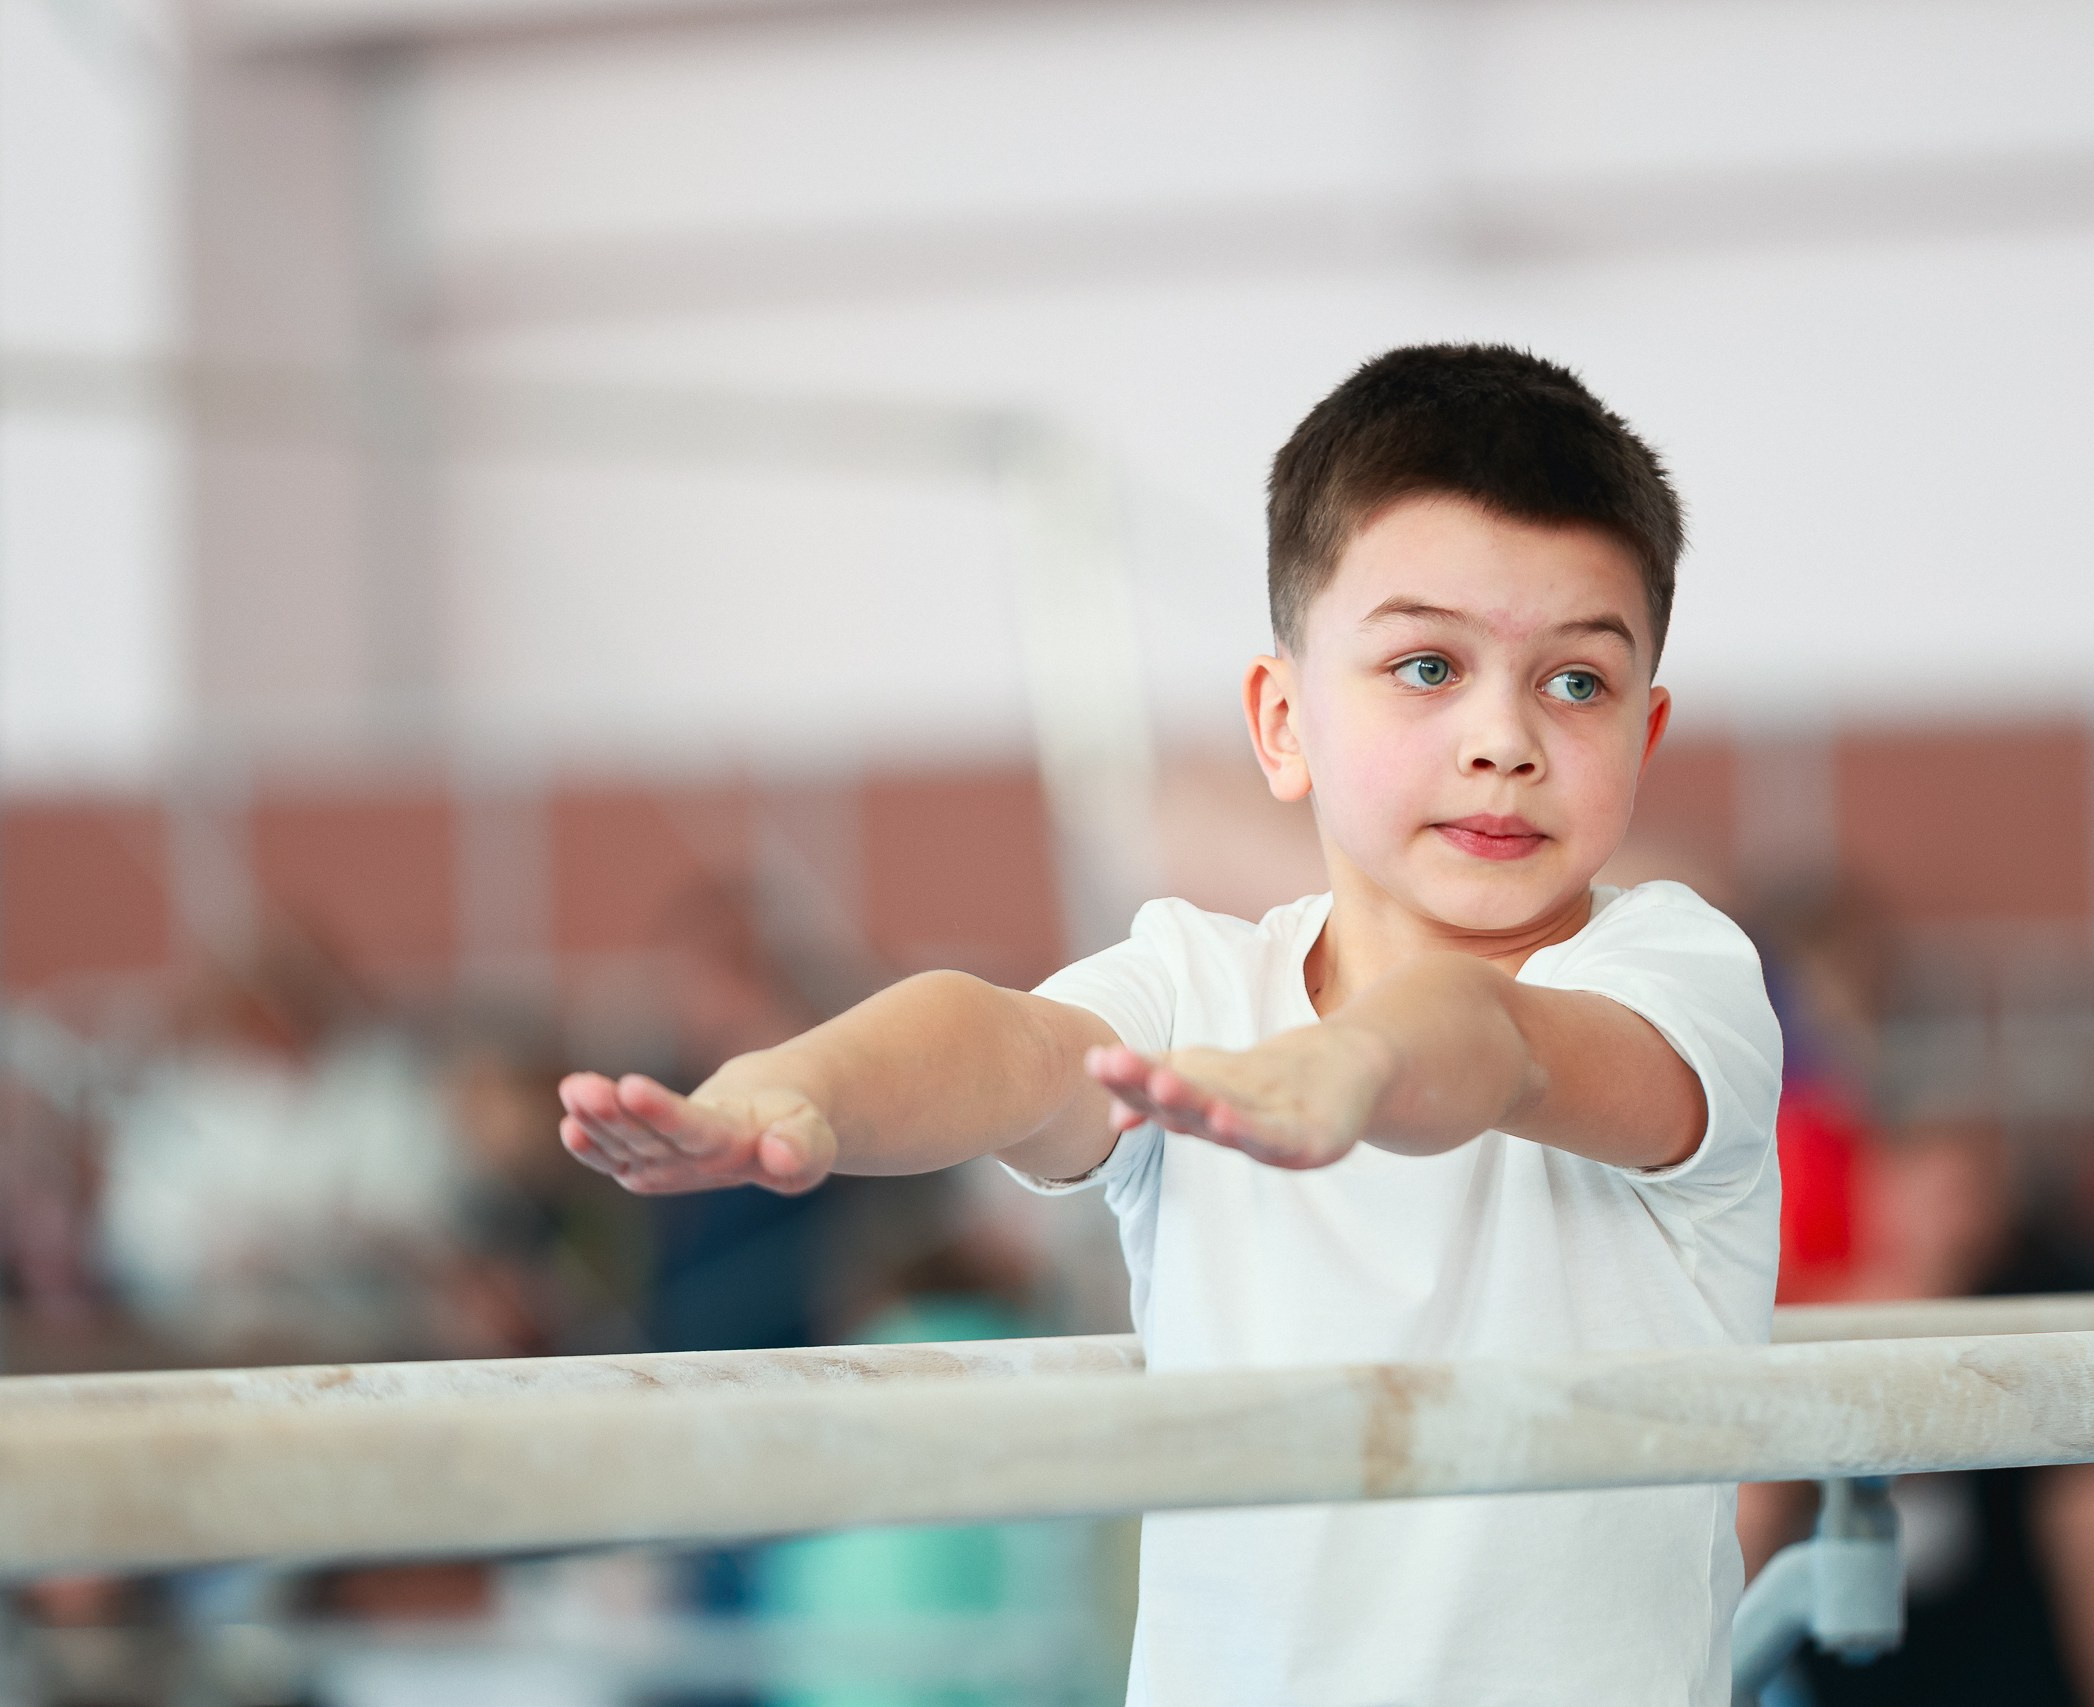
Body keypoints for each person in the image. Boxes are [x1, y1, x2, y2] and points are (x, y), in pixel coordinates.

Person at [558, 344, 1783, 1706]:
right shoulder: (1197, 987)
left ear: (1647, 731)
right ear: (1282, 722)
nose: (1505, 737)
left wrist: (1359, 1061)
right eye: (1428, 666)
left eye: (1577, 683)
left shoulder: (1681, 975)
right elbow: (1004, 1044)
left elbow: (1498, 1039)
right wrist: (803, 1087)